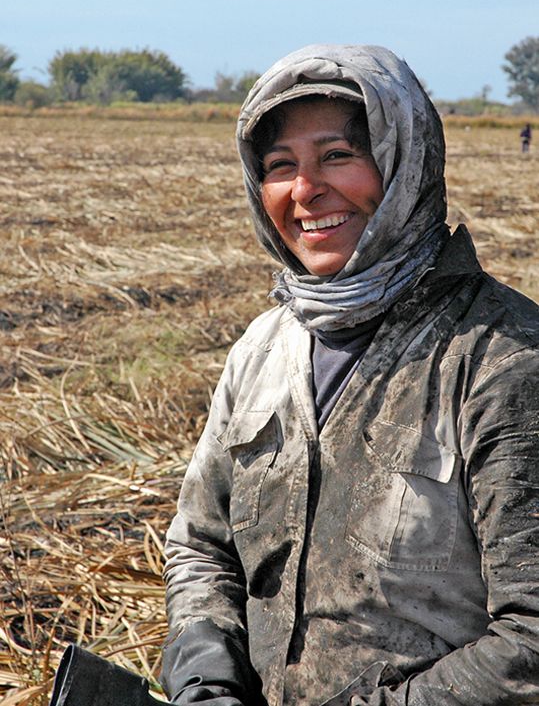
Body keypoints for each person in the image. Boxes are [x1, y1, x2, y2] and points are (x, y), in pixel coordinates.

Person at [161, 45, 539, 705]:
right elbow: (201, 544)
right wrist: (206, 672)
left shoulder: (502, 359)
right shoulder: (262, 350)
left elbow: (530, 640)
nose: (305, 191)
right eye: (281, 166)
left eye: (337, 155)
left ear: (403, 165)